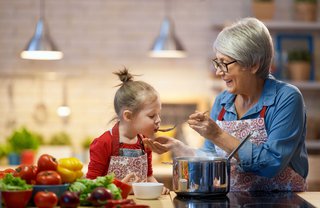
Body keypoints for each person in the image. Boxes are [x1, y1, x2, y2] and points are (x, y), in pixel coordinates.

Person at [144, 17, 308, 191]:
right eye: (217, 62)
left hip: (285, 202)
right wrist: (180, 148)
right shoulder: (223, 101)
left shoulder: (286, 98)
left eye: (225, 63)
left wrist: (218, 135)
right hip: (233, 200)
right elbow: (211, 158)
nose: (218, 71)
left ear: (253, 64)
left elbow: (271, 164)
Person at [86, 68, 170, 194]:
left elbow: (148, 177)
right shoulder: (103, 143)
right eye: (152, 116)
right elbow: (91, 185)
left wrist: (158, 187)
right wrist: (119, 187)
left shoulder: (145, 143)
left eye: (158, 114)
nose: (158, 120)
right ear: (128, 116)